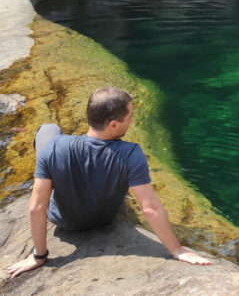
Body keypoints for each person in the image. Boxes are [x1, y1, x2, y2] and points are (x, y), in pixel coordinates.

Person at [7, 87, 211, 279]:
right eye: (129, 117)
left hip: (64, 222)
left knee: (48, 129)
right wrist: (177, 249)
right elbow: (149, 208)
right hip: (105, 218)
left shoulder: (54, 147)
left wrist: (39, 257)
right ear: (113, 124)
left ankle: (52, 172)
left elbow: (36, 208)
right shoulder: (131, 153)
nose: (131, 122)